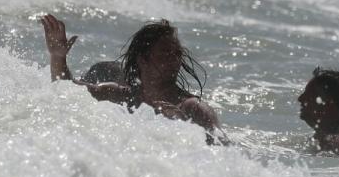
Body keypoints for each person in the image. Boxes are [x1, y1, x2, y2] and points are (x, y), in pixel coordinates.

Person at [40, 14, 219, 131]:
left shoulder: (192, 109)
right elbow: (65, 91)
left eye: (177, 53)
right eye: (165, 53)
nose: (175, 59)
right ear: (143, 59)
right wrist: (58, 57)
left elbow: (223, 151)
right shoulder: (119, 95)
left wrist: (181, 125)